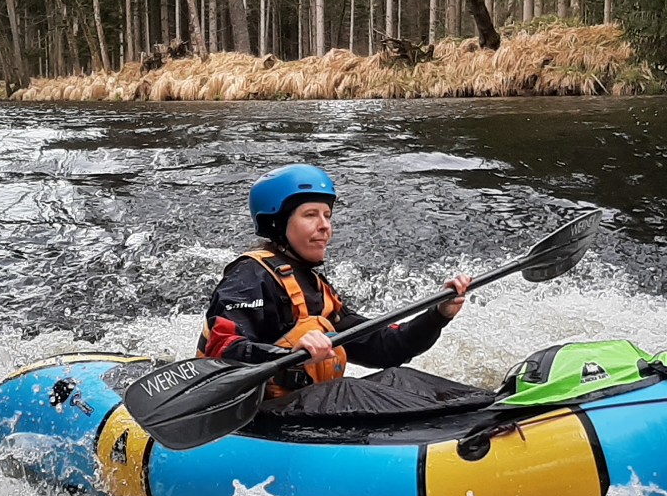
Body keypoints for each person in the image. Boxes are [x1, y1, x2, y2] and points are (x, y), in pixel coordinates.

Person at [198, 164, 472, 398]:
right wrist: (286, 354)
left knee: (399, 379)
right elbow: (222, 350)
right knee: (354, 392)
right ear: (277, 224)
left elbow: (384, 348)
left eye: (327, 216)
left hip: (304, 411)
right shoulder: (249, 276)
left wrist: (437, 315)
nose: (325, 226)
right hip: (256, 416)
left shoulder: (316, 288)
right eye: (310, 215)